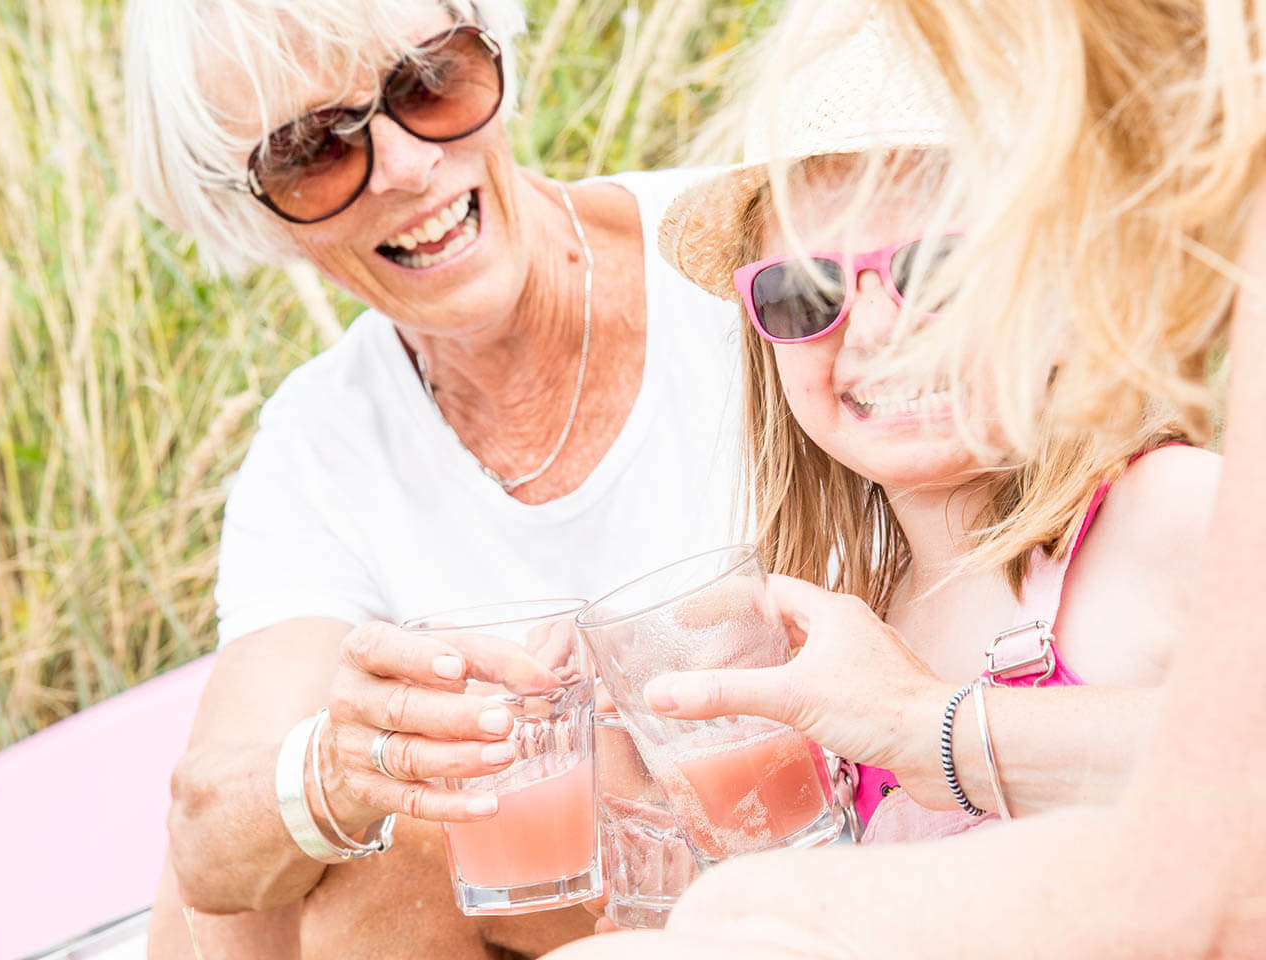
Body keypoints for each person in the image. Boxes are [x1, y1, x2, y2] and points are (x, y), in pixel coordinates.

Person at [547, 0, 1266, 955]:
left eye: (943, 274)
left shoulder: (1168, 513)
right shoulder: (856, 608)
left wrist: (923, 723)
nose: (877, 333)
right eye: (807, 290)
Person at [123, 0, 742, 956]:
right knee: (267, 878)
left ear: (496, 57)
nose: (409, 166)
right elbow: (208, 842)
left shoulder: (740, 255)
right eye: (314, 149)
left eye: (429, 80)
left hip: (843, 861)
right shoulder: (319, 442)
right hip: (596, 916)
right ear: (252, 211)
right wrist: (342, 767)